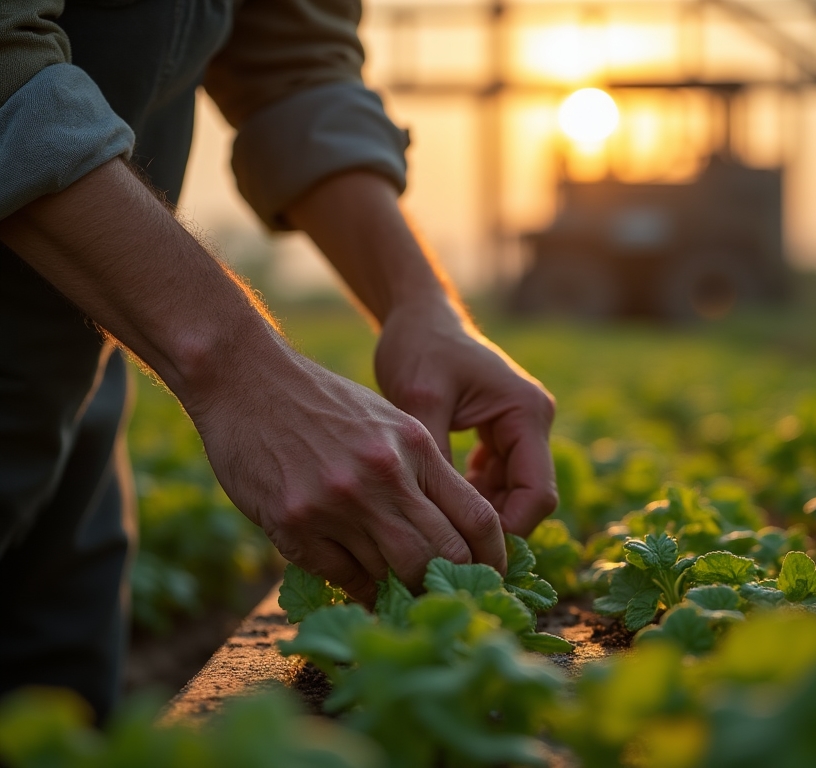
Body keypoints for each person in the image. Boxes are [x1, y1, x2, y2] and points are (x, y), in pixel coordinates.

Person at [0, 0, 558, 722]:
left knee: (55, 706)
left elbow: (291, 51)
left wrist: (420, 303)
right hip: (102, 304)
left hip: (87, 338)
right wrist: (237, 369)